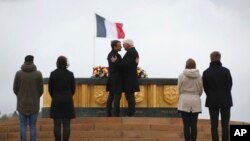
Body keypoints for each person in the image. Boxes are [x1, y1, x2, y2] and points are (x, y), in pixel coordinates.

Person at [202, 51, 233, 141]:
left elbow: (205, 88)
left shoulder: (206, 72)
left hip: (212, 101)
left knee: (214, 126)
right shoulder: (226, 71)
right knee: (225, 125)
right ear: (220, 58)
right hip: (226, 100)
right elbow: (230, 85)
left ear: (210, 58)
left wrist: (211, 95)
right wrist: (225, 94)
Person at [13, 55, 43, 141]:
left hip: (22, 104)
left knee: (22, 125)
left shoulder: (18, 74)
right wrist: (36, 96)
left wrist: (20, 96)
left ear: (24, 61)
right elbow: (41, 90)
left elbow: (15, 89)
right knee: (33, 126)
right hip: (34, 104)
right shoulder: (38, 74)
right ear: (33, 61)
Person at [49, 56, 76, 141]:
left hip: (56, 100)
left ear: (57, 63)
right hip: (67, 100)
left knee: (56, 124)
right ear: (66, 63)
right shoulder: (70, 74)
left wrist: (55, 96)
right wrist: (68, 95)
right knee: (66, 124)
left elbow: (50, 89)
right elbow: (73, 89)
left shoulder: (53, 74)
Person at [112, 39, 140, 116]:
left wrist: (116, 61)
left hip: (129, 79)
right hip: (130, 79)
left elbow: (126, 65)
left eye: (124, 44)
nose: (123, 46)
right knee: (130, 97)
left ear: (128, 44)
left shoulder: (131, 52)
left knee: (130, 97)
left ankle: (131, 113)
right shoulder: (133, 52)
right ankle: (131, 113)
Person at [177, 58, 203, 141]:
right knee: (194, 125)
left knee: (186, 125)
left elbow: (179, 89)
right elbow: (201, 90)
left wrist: (184, 94)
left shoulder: (181, 75)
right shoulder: (199, 76)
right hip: (195, 100)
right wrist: (196, 95)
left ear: (186, 65)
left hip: (184, 100)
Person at [106, 40, 123, 117]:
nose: (121, 47)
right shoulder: (116, 55)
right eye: (119, 46)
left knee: (111, 96)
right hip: (117, 79)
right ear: (114, 46)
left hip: (111, 78)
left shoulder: (110, 54)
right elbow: (120, 66)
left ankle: (108, 113)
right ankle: (116, 114)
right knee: (116, 96)